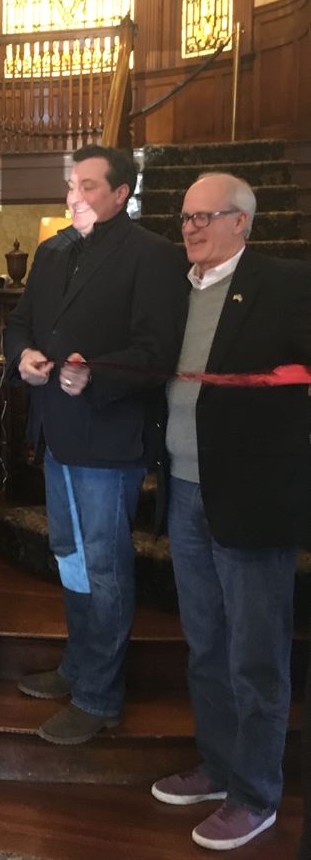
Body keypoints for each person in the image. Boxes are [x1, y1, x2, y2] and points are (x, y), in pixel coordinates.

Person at [4, 144, 187, 745]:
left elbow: (157, 353)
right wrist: (23, 356)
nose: (73, 195)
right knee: (71, 558)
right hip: (57, 433)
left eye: (87, 185)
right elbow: (21, 323)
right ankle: (78, 665)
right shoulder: (53, 251)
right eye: (70, 184)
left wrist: (96, 375)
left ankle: (100, 697)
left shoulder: (153, 255)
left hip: (110, 440)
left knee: (105, 569)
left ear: (120, 193)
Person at [150, 172, 311, 852]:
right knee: (206, 642)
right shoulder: (176, 289)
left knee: (255, 654)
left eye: (205, 217)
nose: (190, 228)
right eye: (186, 217)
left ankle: (255, 794)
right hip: (185, 492)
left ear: (241, 222)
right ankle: (217, 766)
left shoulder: (286, 284)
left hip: (251, 498)